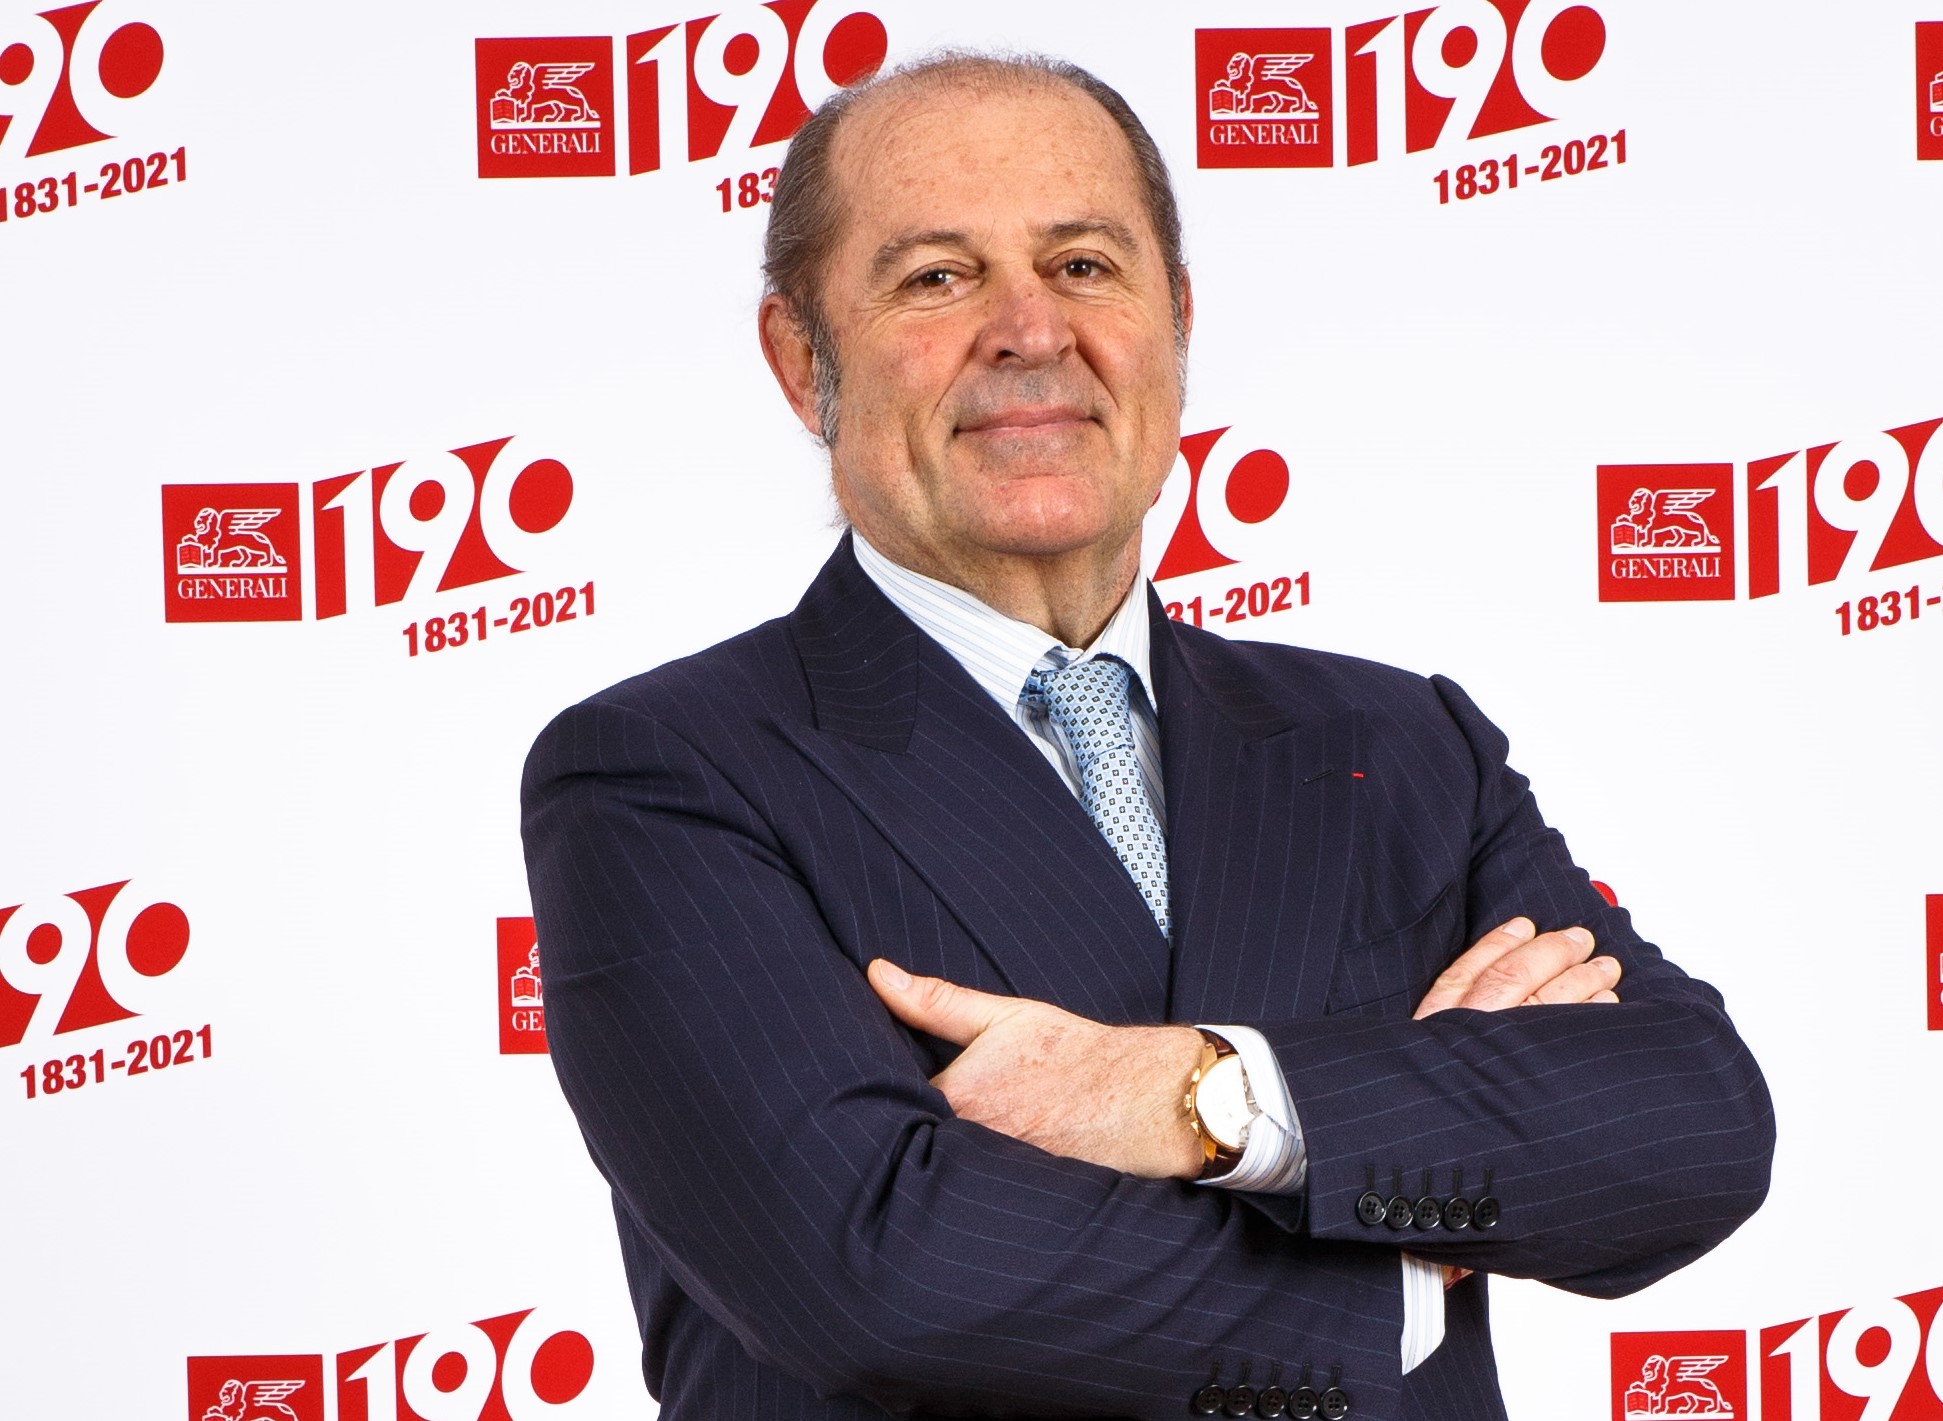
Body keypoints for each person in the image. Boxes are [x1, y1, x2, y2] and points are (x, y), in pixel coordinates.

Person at [520, 52, 1773, 1421]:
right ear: (800, 359)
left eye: (1083, 266)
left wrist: (1203, 1094)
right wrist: (1404, 1249)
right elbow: (878, 1272)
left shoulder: (1396, 740)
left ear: (1174, 319)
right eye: (937, 277)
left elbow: (1685, 1126)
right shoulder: (662, 776)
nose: (1028, 330)